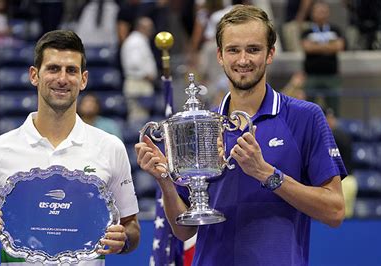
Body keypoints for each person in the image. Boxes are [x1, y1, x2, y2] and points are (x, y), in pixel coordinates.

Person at [135, 5, 346, 265]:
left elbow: (335, 210)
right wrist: (165, 180)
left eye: (253, 49)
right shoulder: (202, 125)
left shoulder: (305, 117)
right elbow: (183, 229)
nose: (243, 60)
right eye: (233, 50)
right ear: (220, 56)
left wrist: (266, 174)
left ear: (270, 54)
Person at [0, 30, 140, 264]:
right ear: (34, 75)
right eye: (53, 68)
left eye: (71, 70)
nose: (62, 79)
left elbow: (131, 226)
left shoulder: (110, 147)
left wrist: (123, 240)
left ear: (83, 79)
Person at [301, 1, 344, 115]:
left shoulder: (335, 29)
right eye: (318, 11)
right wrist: (329, 46)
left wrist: (316, 45)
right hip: (312, 76)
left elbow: (339, 46)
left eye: (323, 11)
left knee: (334, 109)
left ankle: (334, 131)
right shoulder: (307, 31)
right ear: (312, 13)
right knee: (309, 110)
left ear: (328, 13)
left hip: (331, 76)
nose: (321, 14)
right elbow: (307, 48)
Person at [120, 16, 157, 122]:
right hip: (138, 83)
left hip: (140, 83)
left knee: (143, 116)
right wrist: (147, 74)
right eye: (150, 28)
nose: (152, 31)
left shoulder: (140, 40)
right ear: (142, 27)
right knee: (138, 117)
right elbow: (134, 63)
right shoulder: (136, 41)